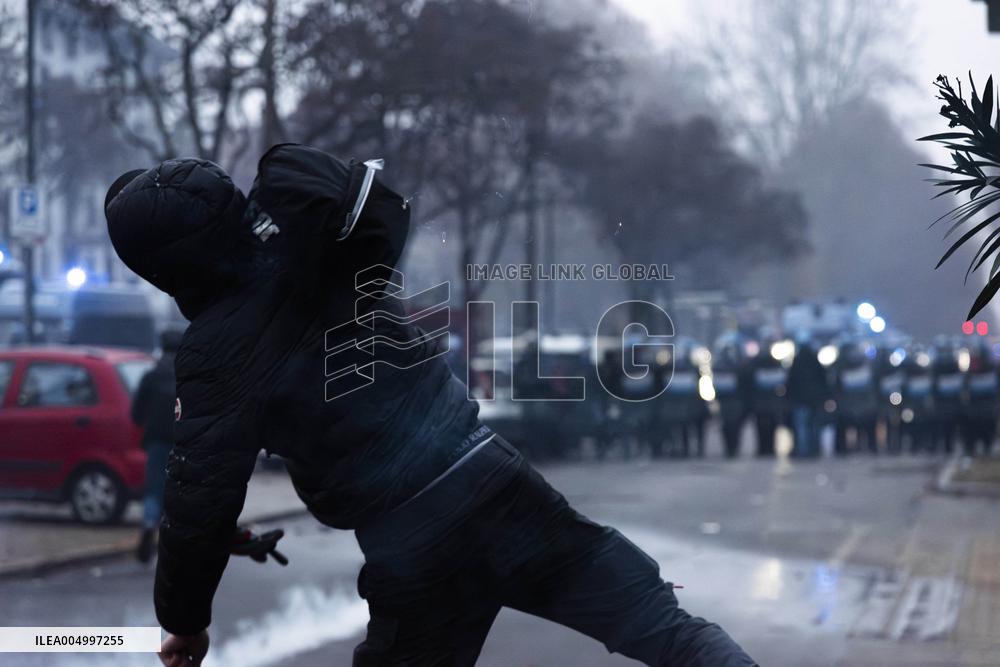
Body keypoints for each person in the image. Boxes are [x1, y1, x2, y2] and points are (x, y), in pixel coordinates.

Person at [104, 145, 756, 667]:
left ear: (165, 270)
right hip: (494, 475)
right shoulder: (315, 243)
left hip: (413, 539)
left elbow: (198, 503)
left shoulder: (218, 352)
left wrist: (183, 620)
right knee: (660, 625)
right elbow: (359, 201)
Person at [131, 328, 183, 563]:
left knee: (154, 489)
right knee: (178, 491)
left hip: (156, 442)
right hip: (182, 444)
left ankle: (149, 527)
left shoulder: (151, 376)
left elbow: (136, 413)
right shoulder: (187, 377)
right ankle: (172, 540)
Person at [786, 338, 829, 458]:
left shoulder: (797, 362)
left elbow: (790, 382)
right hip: (814, 400)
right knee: (814, 426)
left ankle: (803, 450)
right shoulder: (815, 363)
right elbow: (824, 381)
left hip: (800, 400)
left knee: (802, 426)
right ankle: (814, 450)